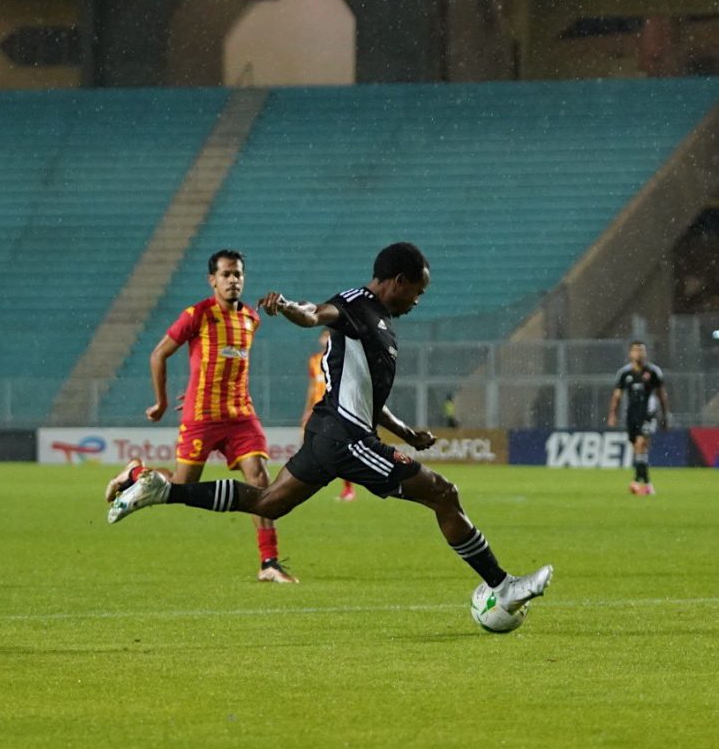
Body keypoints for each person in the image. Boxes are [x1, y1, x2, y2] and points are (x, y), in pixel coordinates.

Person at [109, 242, 553, 617]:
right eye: (418, 291)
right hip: (346, 437)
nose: (418, 300)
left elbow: (367, 397)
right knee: (443, 493)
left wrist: (407, 433)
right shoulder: (356, 303)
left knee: (268, 501)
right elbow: (314, 313)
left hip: (331, 434)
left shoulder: (382, 325)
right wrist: (288, 307)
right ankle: (503, 585)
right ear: (398, 281)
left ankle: (164, 490)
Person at [105, 249, 298, 583]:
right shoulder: (197, 315)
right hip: (203, 417)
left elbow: (228, 365)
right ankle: (135, 474)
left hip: (241, 416)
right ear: (212, 280)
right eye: (226, 274)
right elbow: (158, 355)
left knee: (259, 480)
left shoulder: (252, 319)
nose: (233, 280)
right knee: (183, 487)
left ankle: (269, 562)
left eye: (238, 274)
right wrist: (162, 402)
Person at [607, 340, 669, 496]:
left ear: (645, 353)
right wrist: (612, 414)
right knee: (637, 449)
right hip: (632, 415)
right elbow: (617, 396)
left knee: (641, 444)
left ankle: (646, 485)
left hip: (648, 414)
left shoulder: (653, 372)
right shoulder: (624, 373)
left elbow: (661, 395)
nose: (639, 353)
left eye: (641, 350)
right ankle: (638, 482)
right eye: (636, 350)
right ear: (630, 353)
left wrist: (665, 415)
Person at [302, 329, 356, 502]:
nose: (326, 339)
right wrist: (307, 409)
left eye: (329, 336)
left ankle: (348, 488)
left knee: (338, 448)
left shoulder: (340, 358)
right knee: (310, 447)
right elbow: (312, 386)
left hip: (334, 409)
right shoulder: (314, 360)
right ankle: (306, 485)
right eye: (324, 336)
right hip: (317, 410)